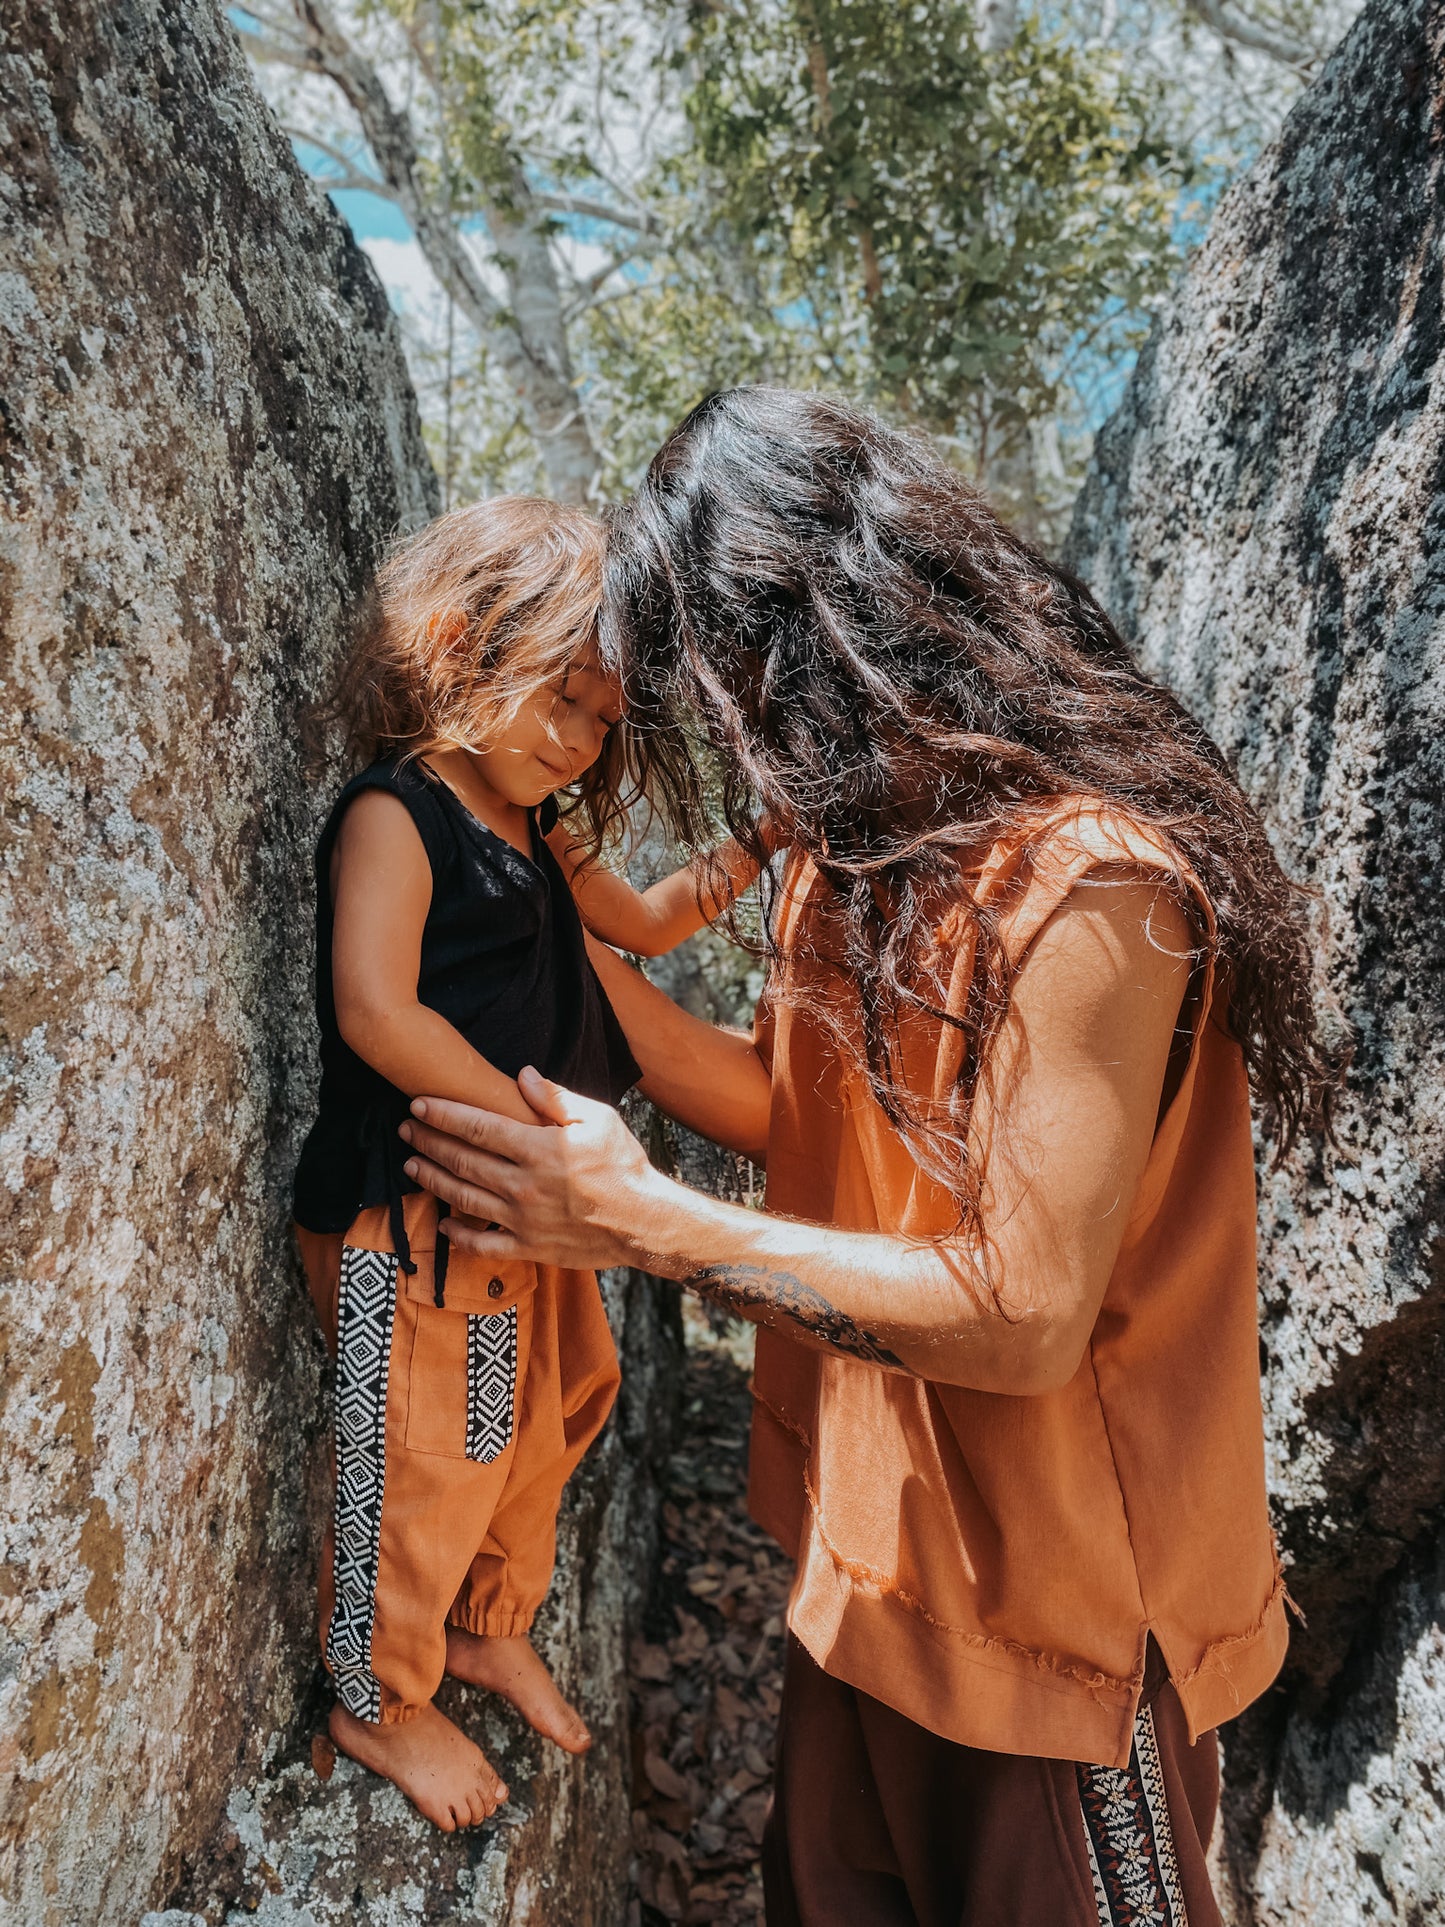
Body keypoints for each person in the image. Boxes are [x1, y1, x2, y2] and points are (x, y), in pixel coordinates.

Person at [397, 391, 1341, 1922]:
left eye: (725, 685)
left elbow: (1022, 1315)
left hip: (1061, 1637)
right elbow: (795, 1112)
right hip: (864, 1574)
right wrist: (527, 920)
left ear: (818, 626)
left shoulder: (1091, 888)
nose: (724, 736)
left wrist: (645, 1228)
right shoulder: (854, 863)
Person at [291, 495, 761, 1833]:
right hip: (411, 1218)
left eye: (604, 719)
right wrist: (536, 1121)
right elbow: (378, 1009)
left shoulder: (537, 827)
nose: (580, 739)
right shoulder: (400, 811)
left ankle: (484, 1627)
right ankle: (374, 1696)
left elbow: (655, 925)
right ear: (456, 641)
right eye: (564, 699)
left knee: (535, 1433)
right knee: (420, 1460)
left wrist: (765, 843)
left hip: (516, 1226)